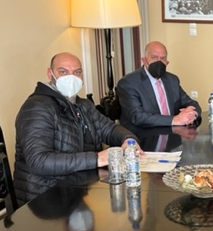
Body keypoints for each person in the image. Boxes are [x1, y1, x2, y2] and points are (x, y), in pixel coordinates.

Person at [14, 52, 138, 203]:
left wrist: (128, 140)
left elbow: (110, 129)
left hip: (78, 187)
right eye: (63, 72)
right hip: (44, 197)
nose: (71, 77)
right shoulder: (37, 107)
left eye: (77, 72)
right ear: (50, 74)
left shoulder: (83, 105)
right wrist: (96, 158)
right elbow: (39, 161)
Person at [117, 41, 201, 130]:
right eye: (154, 57)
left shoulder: (172, 80)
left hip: (172, 134)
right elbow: (137, 117)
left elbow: (192, 103)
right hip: (143, 135)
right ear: (144, 60)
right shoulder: (129, 83)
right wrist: (175, 119)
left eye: (163, 58)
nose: (159, 62)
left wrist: (191, 113)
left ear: (167, 62)